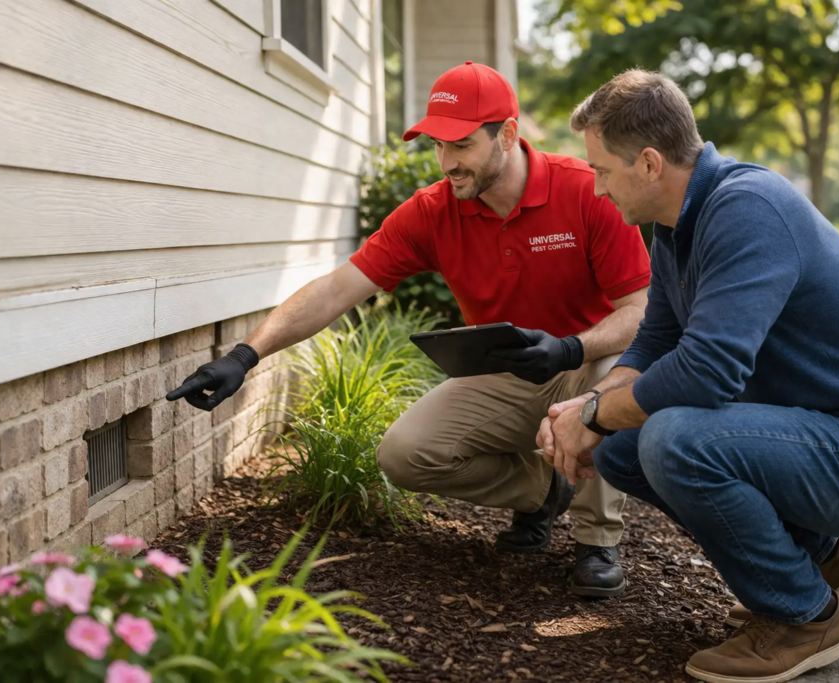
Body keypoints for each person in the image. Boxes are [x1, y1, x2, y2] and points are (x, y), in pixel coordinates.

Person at [166, 62, 653, 597]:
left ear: (507, 134)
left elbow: (641, 311)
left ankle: (596, 539)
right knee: (404, 453)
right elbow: (336, 289)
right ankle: (540, 492)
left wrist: (569, 347)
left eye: (461, 145)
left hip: (586, 362)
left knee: (619, 369)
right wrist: (244, 355)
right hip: (510, 371)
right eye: (437, 146)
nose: (447, 163)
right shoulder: (433, 212)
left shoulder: (584, 191)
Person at [538, 69, 839, 682]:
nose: (595, 190)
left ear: (649, 163)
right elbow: (656, 339)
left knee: (674, 441)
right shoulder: (677, 226)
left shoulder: (745, 208)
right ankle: (819, 558)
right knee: (624, 451)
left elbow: (708, 372)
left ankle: (805, 618)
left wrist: (591, 416)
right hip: (816, 437)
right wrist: (587, 406)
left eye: (601, 170)